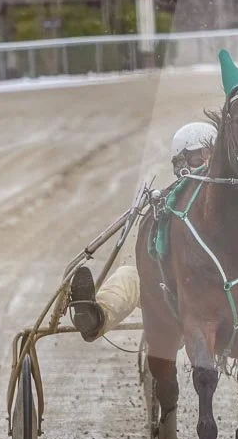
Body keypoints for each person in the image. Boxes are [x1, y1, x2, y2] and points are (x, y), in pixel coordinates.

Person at [66, 121, 217, 341]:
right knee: (128, 278)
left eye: (212, 157)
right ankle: (95, 316)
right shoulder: (169, 199)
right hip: (172, 290)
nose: (207, 165)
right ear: (181, 164)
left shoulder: (230, 199)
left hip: (221, 293)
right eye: (198, 159)